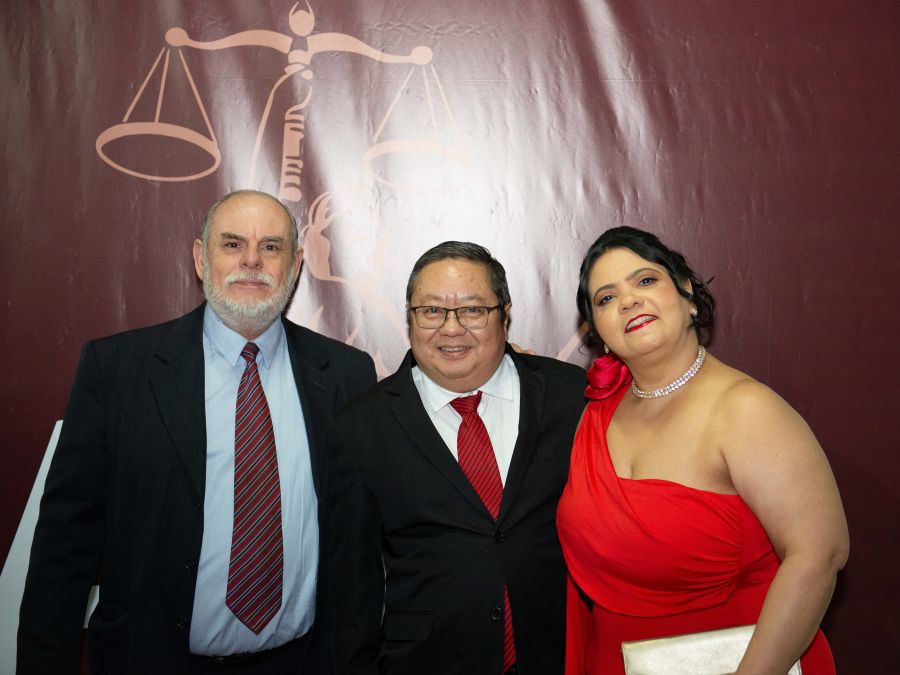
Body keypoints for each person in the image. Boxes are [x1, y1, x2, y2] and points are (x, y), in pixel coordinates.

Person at [17, 190, 376, 674]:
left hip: (305, 662)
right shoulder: (118, 370)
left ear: (294, 267)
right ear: (200, 258)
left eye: (271, 247)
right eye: (232, 244)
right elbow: (64, 546)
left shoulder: (347, 374)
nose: (252, 260)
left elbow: (358, 545)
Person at [556, 226, 849, 674]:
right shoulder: (595, 413)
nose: (628, 301)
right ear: (598, 331)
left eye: (645, 280)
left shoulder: (746, 409)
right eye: (607, 298)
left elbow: (819, 555)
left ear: (687, 294)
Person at [328, 241, 586, 674]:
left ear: (504, 314)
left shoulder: (570, 395)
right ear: (410, 317)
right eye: (431, 311)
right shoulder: (362, 425)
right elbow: (352, 587)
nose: (451, 328)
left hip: (558, 654)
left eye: (472, 310)